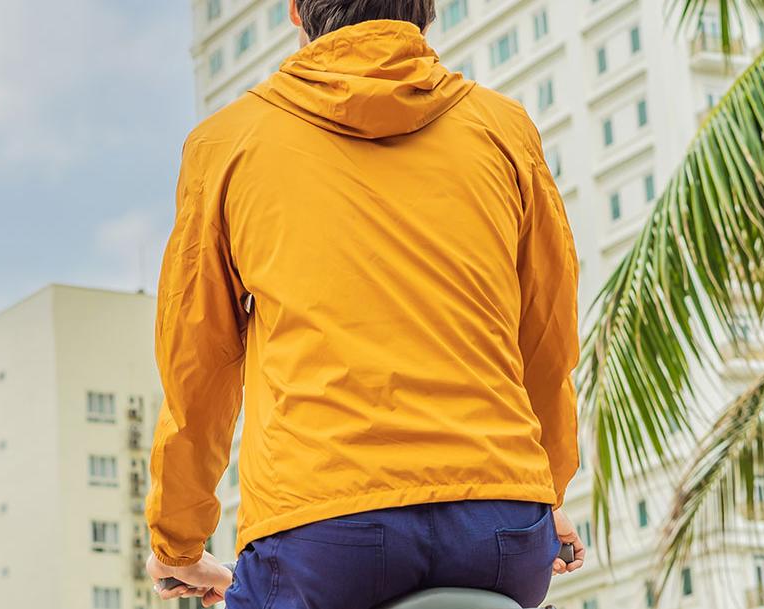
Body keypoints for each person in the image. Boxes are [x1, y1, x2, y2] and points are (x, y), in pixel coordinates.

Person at [143, 1, 585, 607]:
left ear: (297, 12)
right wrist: (546, 491)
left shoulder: (226, 144)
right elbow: (547, 336)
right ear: (428, 10)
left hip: (323, 531)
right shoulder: (504, 129)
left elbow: (199, 370)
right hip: (501, 529)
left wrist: (179, 544)